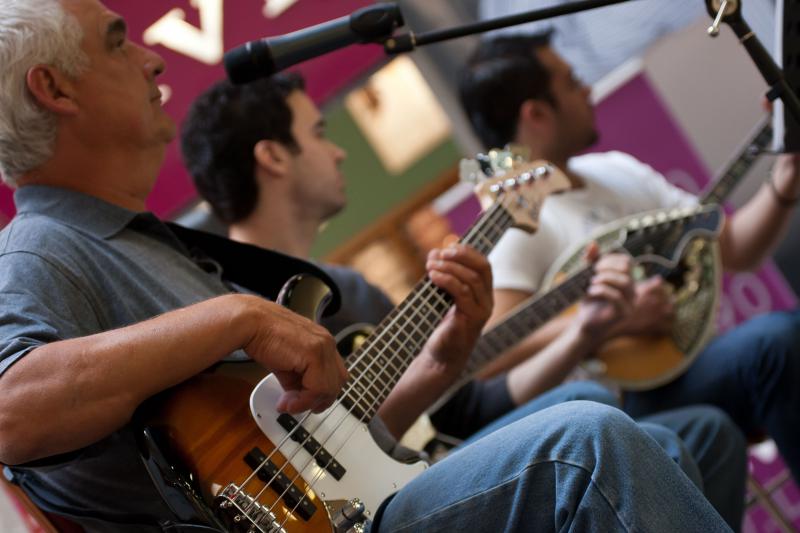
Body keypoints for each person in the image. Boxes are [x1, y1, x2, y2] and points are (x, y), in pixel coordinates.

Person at [0, 1, 731, 531]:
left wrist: (440, 360)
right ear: (55, 89)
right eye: (118, 43)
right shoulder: (41, 247)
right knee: (586, 445)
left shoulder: (153, 245)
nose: (151, 58)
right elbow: (9, 410)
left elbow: (321, 453)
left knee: (663, 439)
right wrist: (240, 315)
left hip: (351, 504)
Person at [181, 74, 747, 528]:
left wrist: (573, 332)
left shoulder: (348, 290)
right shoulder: (224, 301)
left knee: (691, 431)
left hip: (407, 462)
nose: (339, 152)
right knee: (607, 423)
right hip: (337, 504)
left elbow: (463, 411)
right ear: (274, 157)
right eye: (320, 132)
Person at [459, 32, 800, 486]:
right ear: (536, 113)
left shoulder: (616, 170)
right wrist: (609, 320)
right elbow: (488, 351)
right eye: (571, 82)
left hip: (683, 368)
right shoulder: (518, 221)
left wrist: (785, 179)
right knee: (775, 344)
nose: (588, 90)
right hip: (613, 411)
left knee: (782, 338)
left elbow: (735, 249)